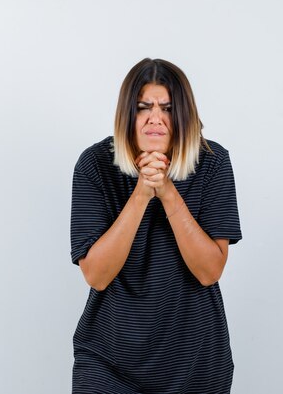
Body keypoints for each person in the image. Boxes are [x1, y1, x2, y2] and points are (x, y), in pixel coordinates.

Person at [70, 58, 243, 394]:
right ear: (127, 115)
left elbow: (210, 270)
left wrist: (166, 191)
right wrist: (141, 193)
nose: (155, 118)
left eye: (167, 108)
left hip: (195, 361)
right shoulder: (94, 165)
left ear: (183, 115)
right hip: (108, 358)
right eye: (143, 108)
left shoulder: (213, 162)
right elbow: (96, 275)